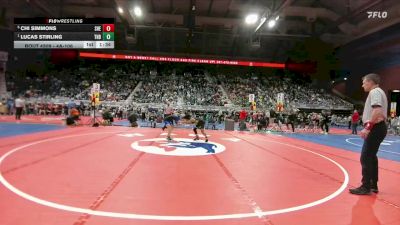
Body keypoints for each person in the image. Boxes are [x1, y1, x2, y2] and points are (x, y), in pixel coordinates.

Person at [349, 73, 388, 195]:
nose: (362, 85)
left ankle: (365, 186)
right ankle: (372, 184)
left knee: (365, 157)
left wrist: (367, 127)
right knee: (371, 157)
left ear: (371, 82)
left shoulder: (374, 92)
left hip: (376, 127)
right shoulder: (380, 92)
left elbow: (377, 110)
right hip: (379, 127)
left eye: (364, 82)